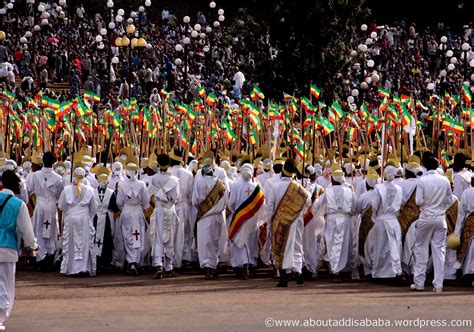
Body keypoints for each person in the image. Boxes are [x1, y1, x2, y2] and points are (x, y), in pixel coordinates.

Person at [411, 152, 456, 292]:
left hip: (425, 218)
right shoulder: (444, 181)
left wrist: (429, 205)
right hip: (440, 219)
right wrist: (439, 206)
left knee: (421, 249)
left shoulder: (422, 181)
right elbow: (450, 200)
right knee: (439, 251)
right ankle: (438, 285)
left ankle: (419, 282)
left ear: (424, 166)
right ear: (437, 166)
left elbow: (418, 201)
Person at [0, 170, 37, 330]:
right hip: (8, 248)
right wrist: (33, 245)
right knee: (6, 286)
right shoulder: (18, 204)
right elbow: (26, 230)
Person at [267, 159, 309, 287]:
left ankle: (283, 277)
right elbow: (306, 203)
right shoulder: (298, 187)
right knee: (296, 247)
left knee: (280, 248)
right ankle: (298, 273)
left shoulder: (275, 186)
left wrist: (270, 221)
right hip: (294, 222)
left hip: (279, 222)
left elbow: (270, 206)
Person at [312, 164, 356, 283]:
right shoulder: (349, 191)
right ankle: (341, 270)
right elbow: (356, 207)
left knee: (333, 246)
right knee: (344, 246)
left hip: (331, 220)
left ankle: (336, 271)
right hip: (345, 220)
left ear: (332, 179)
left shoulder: (327, 192)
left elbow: (316, 206)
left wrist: (322, 214)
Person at [26, 151, 64, 270]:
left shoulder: (35, 175)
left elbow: (28, 190)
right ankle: (50, 256)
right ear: (54, 162)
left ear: (43, 161)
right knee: (52, 230)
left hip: (40, 204)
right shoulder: (59, 178)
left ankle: (40, 257)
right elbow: (60, 195)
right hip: (51, 205)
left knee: (38, 229)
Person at [58, 166, 97, 276]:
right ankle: (84, 267)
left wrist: (72, 211)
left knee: (71, 242)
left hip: (71, 217)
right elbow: (93, 208)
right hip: (84, 218)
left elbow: (62, 206)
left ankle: (72, 268)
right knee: (84, 242)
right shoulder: (90, 190)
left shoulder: (66, 189)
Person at [227, 164, 265, 279]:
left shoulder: (235, 185)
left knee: (239, 243)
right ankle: (250, 265)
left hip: (239, 218)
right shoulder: (256, 186)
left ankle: (242, 266)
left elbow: (231, 203)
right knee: (250, 242)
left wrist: (236, 211)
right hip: (252, 220)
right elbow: (263, 204)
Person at [116, 155, 150, 275]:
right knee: (138, 237)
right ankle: (136, 261)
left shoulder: (121, 185)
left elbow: (119, 202)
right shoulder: (141, 185)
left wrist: (125, 207)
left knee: (128, 237)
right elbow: (146, 202)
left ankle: (132, 262)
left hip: (126, 212)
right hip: (138, 212)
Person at [192, 164, 227, 279]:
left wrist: (203, 208)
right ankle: (213, 266)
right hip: (217, 217)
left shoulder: (198, 182)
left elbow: (195, 200)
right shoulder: (220, 183)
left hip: (204, 217)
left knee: (204, 243)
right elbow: (225, 201)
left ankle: (207, 268)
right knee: (215, 241)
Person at [149, 154, 180, 279]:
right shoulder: (174, 179)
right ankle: (168, 266)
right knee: (170, 237)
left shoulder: (154, 178)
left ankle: (158, 264)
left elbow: (150, 195)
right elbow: (176, 197)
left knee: (158, 237)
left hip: (158, 209)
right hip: (169, 209)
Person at [370, 165, 403, 279]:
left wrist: (375, 216)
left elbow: (374, 205)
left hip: (382, 220)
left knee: (381, 246)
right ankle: (394, 271)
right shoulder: (399, 188)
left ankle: (381, 272)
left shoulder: (378, 188)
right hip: (393, 220)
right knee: (393, 246)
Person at [168, 149, 195, 268]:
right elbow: (191, 193)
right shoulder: (188, 173)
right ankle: (185, 257)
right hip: (184, 206)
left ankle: (175, 260)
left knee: (173, 234)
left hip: (172, 205)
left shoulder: (168, 172)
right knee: (185, 233)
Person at [93, 167, 120, 271]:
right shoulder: (111, 192)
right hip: (107, 218)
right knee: (107, 239)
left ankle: (97, 261)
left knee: (96, 238)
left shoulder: (93, 191)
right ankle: (106, 262)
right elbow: (115, 207)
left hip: (96, 218)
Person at [453, 173, 474, 278]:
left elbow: (461, 213)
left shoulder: (467, 192)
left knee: (469, 247)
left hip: (470, 222)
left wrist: (457, 232)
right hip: (470, 222)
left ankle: (469, 272)